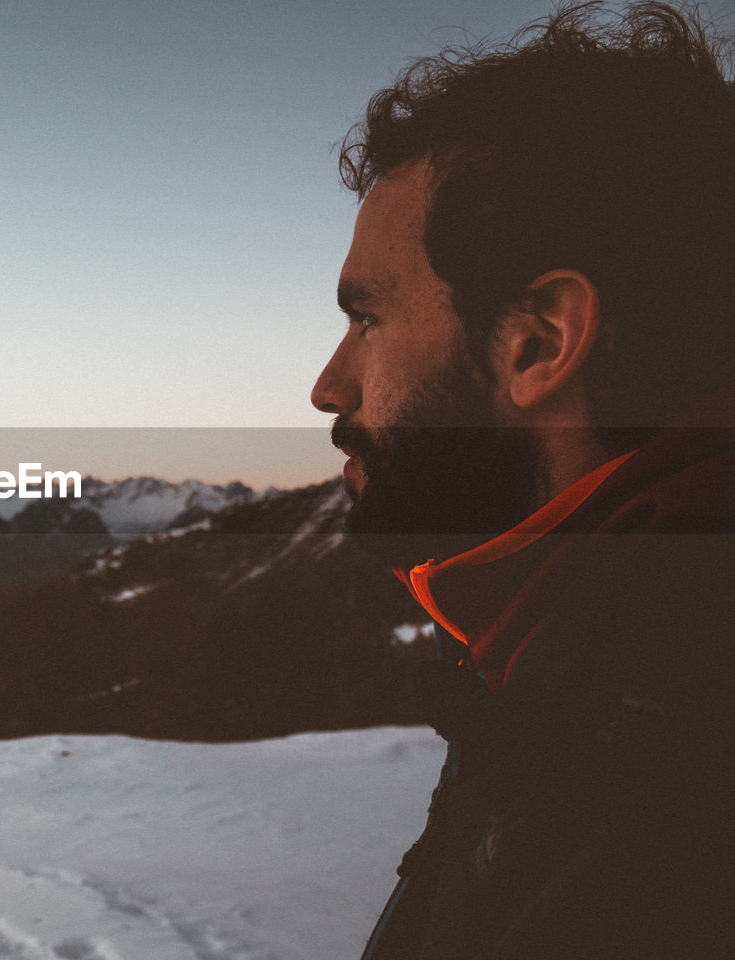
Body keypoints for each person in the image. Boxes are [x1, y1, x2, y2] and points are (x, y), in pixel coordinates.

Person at [309, 3, 735, 958]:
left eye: (366, 320)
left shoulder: (670, 786)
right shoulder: (573, 671)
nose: (329, 385)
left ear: (538, 340)